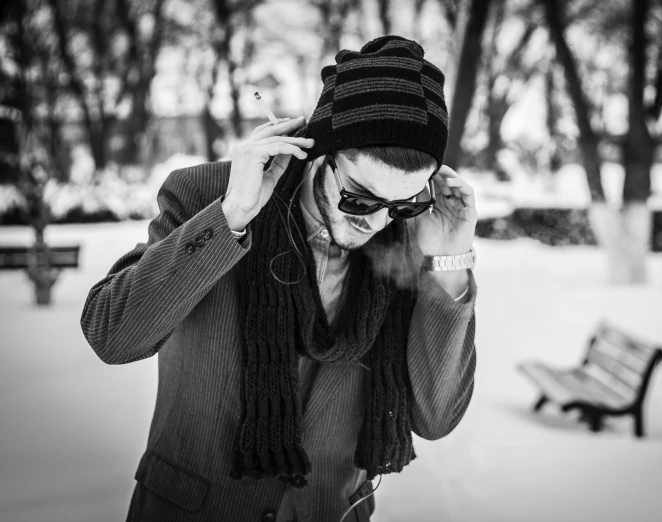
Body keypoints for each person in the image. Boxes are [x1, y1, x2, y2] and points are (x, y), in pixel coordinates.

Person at [81, 35, 477, 522]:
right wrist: (231, 217)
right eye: (359, 197)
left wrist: (451, 261)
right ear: (319, 153)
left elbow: (435, 418)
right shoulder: (210, 195)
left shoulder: (417, 240)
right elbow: (113, 335)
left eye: (404, 203)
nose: (377, 222)